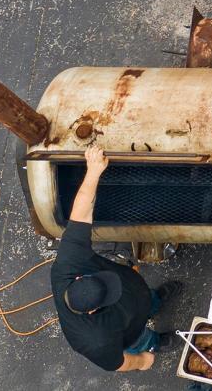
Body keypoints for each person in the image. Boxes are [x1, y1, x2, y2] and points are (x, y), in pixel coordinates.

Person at [51, 144, 183, 371]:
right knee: (141, 339)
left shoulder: (68, 263)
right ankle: (156, 342)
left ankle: (154, 300)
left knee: (146, 298)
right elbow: (118, 363)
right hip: (131, 330)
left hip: (136, 296)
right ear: (93, 311)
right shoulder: (93, 341)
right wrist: (142, 361)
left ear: (79, 278)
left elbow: (80, 213)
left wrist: (93, 171)